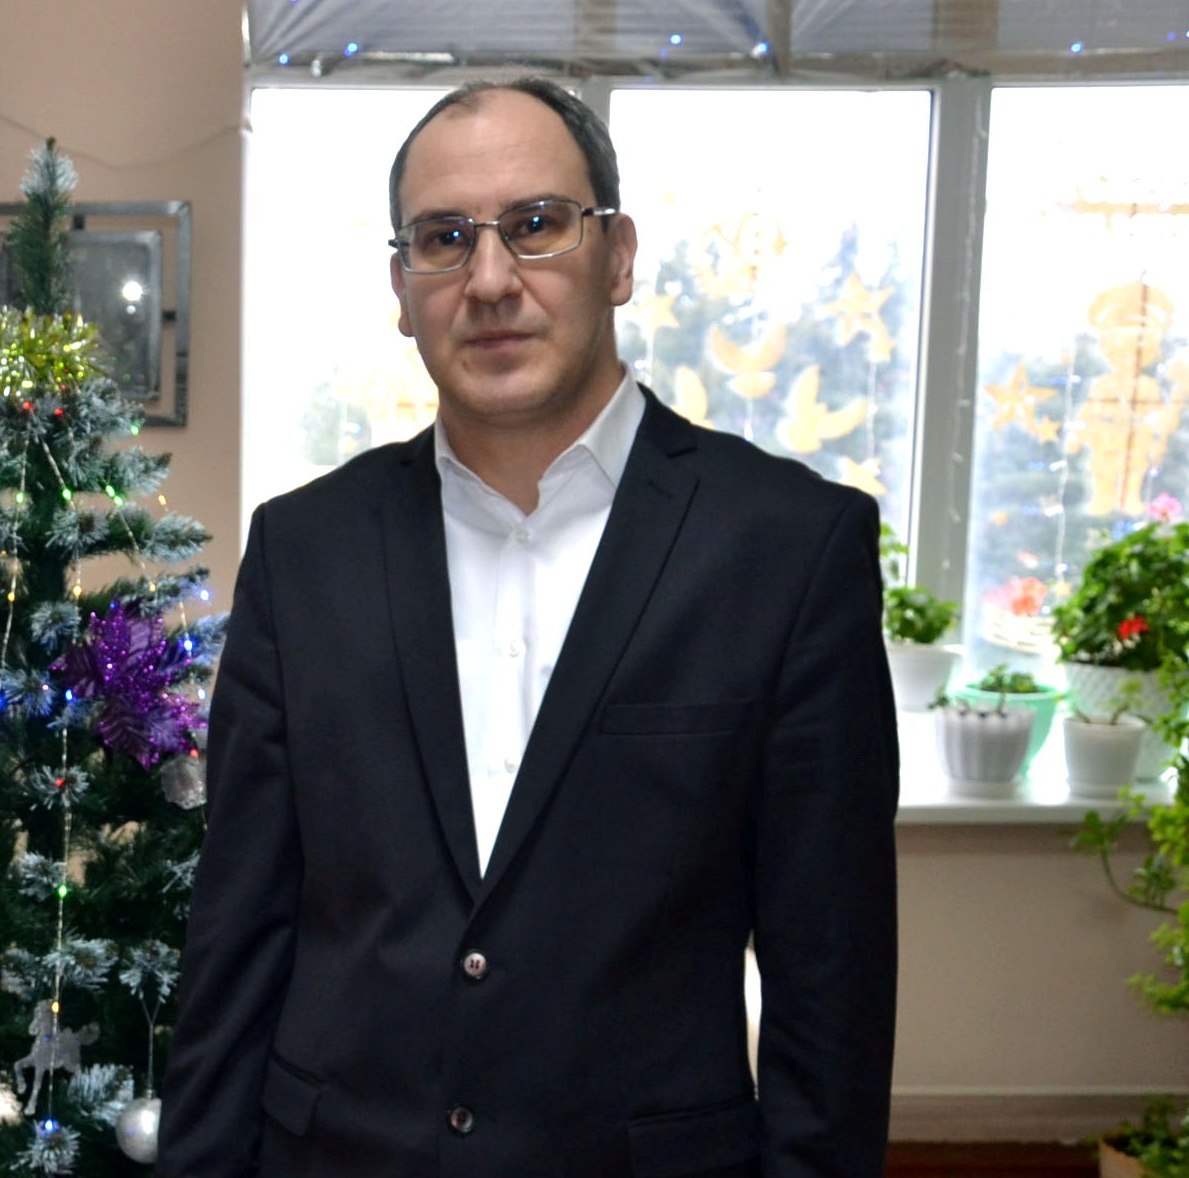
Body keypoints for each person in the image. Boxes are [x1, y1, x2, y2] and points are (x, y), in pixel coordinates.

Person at [161, 78, 898, 1177]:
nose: (492, 279)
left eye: (538, 224)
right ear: (402, 289)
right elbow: (238, 933)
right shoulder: (302, 550)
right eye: (444, 239)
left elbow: (829, 978)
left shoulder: (786, 548)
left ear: (618, 256)